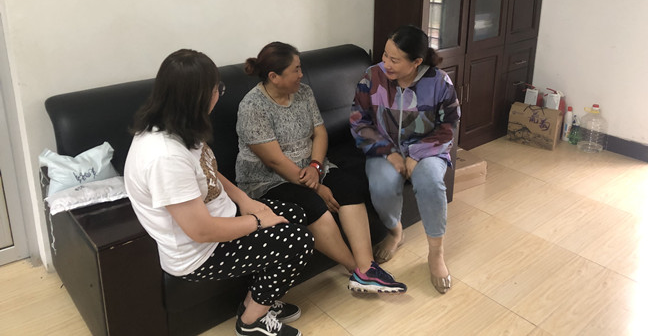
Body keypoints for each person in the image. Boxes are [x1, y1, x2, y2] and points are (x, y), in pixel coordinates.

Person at [124, 49, 313, 336]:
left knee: (295, 213)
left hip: (221, 217)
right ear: (199, 97)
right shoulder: (164, 157)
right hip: (199, 252)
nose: (219, 94)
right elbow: (201, 231)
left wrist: (245, 201)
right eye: (217, 89)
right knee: (298, 241)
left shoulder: (179, 123)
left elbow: (208, 169)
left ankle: (256, 301)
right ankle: (251, 322)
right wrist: (258, 221)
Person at [235, 42, 407, 294]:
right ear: (274, 76)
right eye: (295, 70)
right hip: (268, 180)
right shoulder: (252, 107)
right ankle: (356, 271)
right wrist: (315, 188)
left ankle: (367, 267)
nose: (301, 74)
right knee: (314, 205)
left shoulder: (303, 92)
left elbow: (320, 132)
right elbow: (275, 161)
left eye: (300, 67)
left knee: (349, 188)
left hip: (311, 167)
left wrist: (316, 166)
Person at [350, 25, 460, 294]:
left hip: (429, 148)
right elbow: (358, 120)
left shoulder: (439, 82)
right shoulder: (372, 76)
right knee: (382, 186)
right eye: (385, 55)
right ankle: (395, 232)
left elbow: (449, 126)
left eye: (395, 60)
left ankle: (436, 253)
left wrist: (415, 154)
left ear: (416, 62)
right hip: (383, 148)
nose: (386, 63)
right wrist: (389, 152)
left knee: (431, 182)